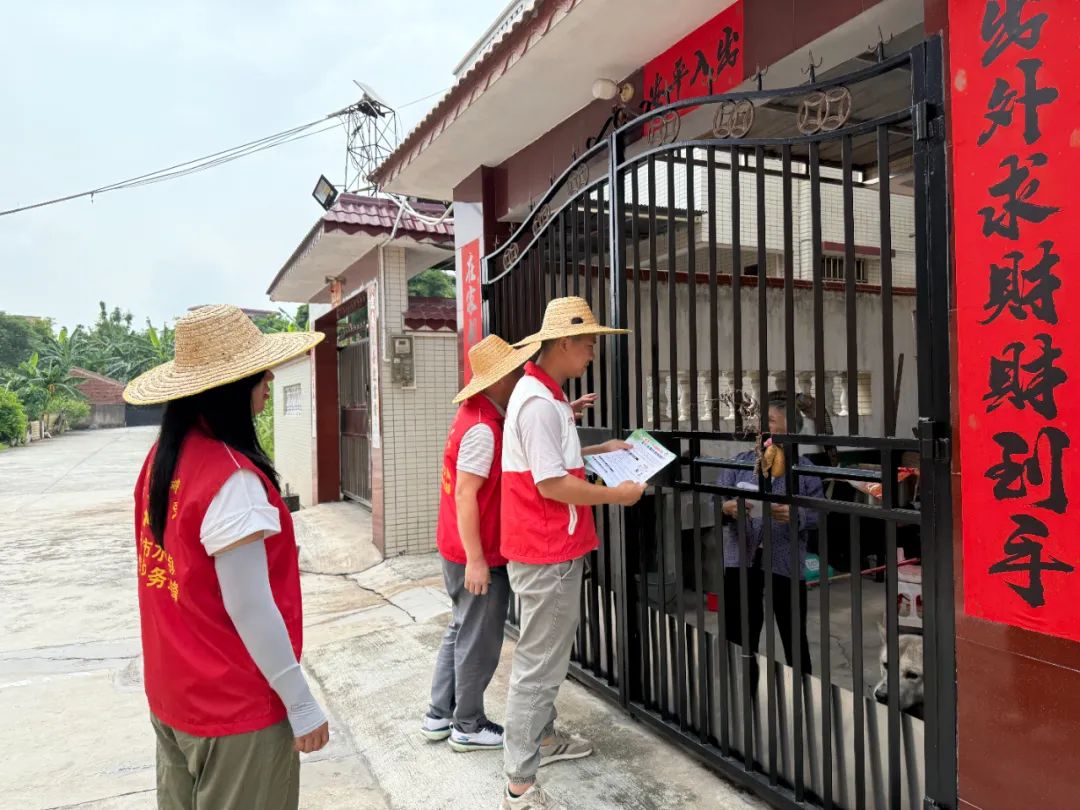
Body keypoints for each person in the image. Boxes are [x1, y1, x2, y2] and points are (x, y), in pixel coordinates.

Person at [124, 305, 328, 810]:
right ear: (231, 387)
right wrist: (300, 701)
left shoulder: (162, 460)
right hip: (234, 707)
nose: (269, 379)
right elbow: (250, 606)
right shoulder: (231, 479)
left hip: (175, 692)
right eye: (260, 372)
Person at [499, 296, 646, 810]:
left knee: (542, 658)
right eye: (588, 344)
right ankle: (519, 785)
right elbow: (551, 483)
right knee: (539, 667)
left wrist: (597, 451)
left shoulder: (544, 395)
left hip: (545, 547)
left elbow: (551, 460)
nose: (592, 354)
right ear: (564, 343)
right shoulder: (540, 403)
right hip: (548, 550)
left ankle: (541, 740)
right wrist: (617, 495)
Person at [420, 335, 538, 752]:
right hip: (476, 552)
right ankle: (468, 724)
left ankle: (439, 714)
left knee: (460, 628)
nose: (521, 376)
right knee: (479, 640)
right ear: (499, 379)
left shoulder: (477, 414)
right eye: (515, 372)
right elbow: (466, 494)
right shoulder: (484, 430)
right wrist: (476, 560)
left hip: (458, 545)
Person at [716, 392, 825, 679]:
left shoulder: (805, 470)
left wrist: (797, 516)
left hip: (785, 562)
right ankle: (741, 682)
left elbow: (820, 514)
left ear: (790, 429)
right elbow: (717, 500)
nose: (761, 426)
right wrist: (727, 508)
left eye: (771, 421)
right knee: (740, 632)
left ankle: (801, 688)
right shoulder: (739, 462)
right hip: (742, 559)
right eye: (760, 421)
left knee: (793, 635)